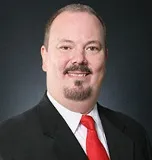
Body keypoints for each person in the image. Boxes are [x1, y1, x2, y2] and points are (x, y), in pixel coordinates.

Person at [0, 3, 151, 160]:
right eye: (66, 47)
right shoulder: (7, 141)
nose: (79, 59)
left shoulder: (135, 135)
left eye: (91, 48)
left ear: (105, 58)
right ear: (44, 58)